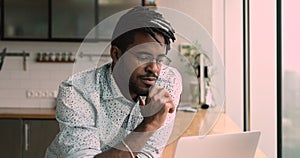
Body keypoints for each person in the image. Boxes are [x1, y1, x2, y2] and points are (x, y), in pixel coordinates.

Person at [45, 6, 182, 158]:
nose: (154, 69)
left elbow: (148, 154)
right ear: (116, 54)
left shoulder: (168, 81)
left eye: (160, 60)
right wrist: (148, 125)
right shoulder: (77, 91)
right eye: (143, 57)